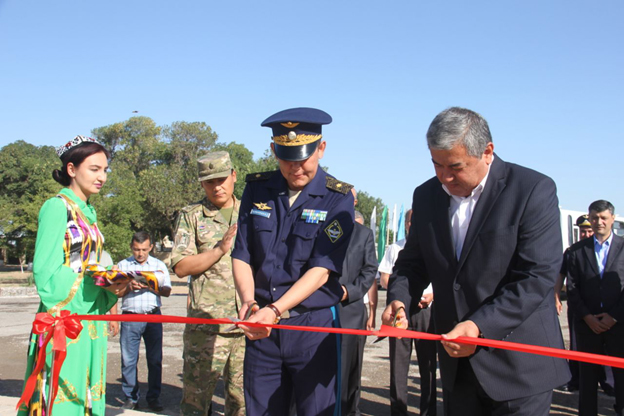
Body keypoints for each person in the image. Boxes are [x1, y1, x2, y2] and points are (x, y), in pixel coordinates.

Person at [382, 107, 569, 416]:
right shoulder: (427, 196)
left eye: (455, 166)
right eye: (436, 165)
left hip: (519, 366)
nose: (445, 176)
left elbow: (536, 276)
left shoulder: (532, 189)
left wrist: (479, 326)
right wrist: (400, 300)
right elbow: (412, 263)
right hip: (458, 367)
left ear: (487, 152)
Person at [231, 107, 355, 416]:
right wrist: (249, 303)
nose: (295, 169)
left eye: (303, 159)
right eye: (286, 159)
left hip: (310, 330)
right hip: (261, 330)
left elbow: (321, 269)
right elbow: (242, 254)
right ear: (273, 150)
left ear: (321, 149)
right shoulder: (258, 190)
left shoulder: (337, 198)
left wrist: (276, 309)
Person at [18, 135, 126, 416]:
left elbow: (94, 263)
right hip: (65, 321)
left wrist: (113, 288)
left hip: (91, 320)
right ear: (71, 169)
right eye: (94, 169)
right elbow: (45, 272)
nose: (102, 176)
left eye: (105, 170)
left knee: (87, 395)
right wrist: (93, 282)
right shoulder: (56, 207)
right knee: (63, 396)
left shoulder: (89, 212)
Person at [171, 151, 245, 416]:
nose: (217, 186)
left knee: (243, 404)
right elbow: (180, 266)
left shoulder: (252, 213)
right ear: (202, 183)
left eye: (222, 179)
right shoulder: (192, 216)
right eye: (210, 181)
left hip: (247, 324)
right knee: (196, 404)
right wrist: (217, 251)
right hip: (207, 326)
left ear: (234, 176)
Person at [566, 200, 624, 416]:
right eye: (594, 218)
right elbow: (571, 288)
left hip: (618, 324)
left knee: (620, 374)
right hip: (587, 325)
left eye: (603, 218)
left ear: (612, 219)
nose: (598, 222)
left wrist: (614, 317)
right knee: (587, 376)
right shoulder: (576, 251)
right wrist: (587, 317)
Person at [379, 209, 437, 416]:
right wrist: (400, 298)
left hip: (426, 312)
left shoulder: (434, 246)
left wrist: (433, 296)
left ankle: (428, 411)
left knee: (428, 366)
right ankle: (398, 410)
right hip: (400, 313)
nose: (413, 225)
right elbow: (385, 277)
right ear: (406, 224)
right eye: (411, 221)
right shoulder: (395, 248)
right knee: (398, 365)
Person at [555, 215, 615, 395]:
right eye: (583, 231)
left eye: (589, 230)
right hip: (579, 305)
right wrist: (556, 296)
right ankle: (576, 379)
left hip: (604, 306)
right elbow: (561, 275)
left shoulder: (609, 249)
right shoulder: (573, 251)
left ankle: (607, 382)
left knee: (608, 345)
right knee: (577, 345)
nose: (586, 234)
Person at [116, 231, 172, 411]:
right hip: (130, 316)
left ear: (151, 247)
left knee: (154, 359)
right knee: (128, 359)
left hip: (153, 316)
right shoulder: (123, 265)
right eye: (136, 249)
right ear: (131, 248)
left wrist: (150, 284)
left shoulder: (159, 265)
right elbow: (115, 292)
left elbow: (167, 291)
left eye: (144, 249)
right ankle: (131, 398)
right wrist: (128, 286)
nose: (140, 253)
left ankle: (154, 398)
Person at [338, 208, 378, 415]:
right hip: (313, 312)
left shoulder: (363, 234)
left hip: (350, 312)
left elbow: (370, 270)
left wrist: (348, 292)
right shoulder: (318, 225)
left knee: (348, 373)